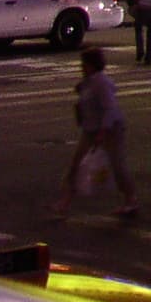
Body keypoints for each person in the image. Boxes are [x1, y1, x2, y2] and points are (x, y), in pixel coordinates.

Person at [50, 47, 136, 217]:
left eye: (84, 64)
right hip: (90, 130)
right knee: (76, 164)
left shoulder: (101, 82)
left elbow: (110, 108)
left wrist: (103, 132)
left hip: (110, 130)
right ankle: (65, 202)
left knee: (118, 165)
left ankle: (130, 199)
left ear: (92, 64)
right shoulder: (89, 81)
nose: (81, 67)